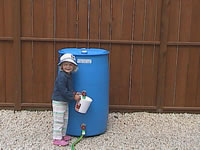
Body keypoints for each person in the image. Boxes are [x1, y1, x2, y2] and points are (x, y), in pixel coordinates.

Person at [52, 53, 81, 146]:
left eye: (70, 65)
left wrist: (74, 93)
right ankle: (56, 138)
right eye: (65, 65)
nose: (68, 67)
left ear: (73, 66)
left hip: (64, 101)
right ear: (61, 66)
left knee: (65, 119)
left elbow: (67, 89)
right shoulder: (62, 76)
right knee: (59, 120)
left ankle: (62, 135)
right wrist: (73, 97)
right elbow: (63, 90)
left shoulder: (68, 75)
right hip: (59, 101)